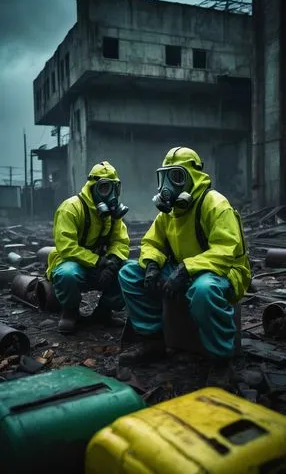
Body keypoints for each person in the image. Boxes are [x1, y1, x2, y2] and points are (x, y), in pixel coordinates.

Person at [119, 146, 251, 368]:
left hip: (223, 271)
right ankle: (153, 340)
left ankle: (220, 360)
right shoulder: (170, 212)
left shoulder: (215, 204)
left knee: (203, 290)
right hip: (185, 270)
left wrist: (186, 269)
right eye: (165, 177)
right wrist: (151, 265)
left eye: (177, 177)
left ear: (194, 176)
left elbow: (226, 250)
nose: (168, 186)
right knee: (129, 274)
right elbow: (153, 242)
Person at [46, 161, 130, 333]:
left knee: (130, 270)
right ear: (92, 188)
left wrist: (112, 263)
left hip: (100, 264)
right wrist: (98, 261)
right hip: (73, 263)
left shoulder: (112, 215)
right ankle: (70, 312)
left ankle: (104, 311)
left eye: (115, 189)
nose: (111, 195)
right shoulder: (70, 208)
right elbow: (67, 247)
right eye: (105, 189)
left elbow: (120, 241)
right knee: (66, 274)